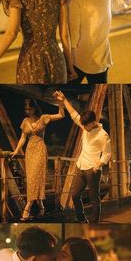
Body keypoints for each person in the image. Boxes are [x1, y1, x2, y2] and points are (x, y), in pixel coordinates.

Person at [53, 90, 111, 224]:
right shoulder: (86, 126)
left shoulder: (103, 135)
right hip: (80, 167)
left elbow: (107, 153)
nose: (84, 128)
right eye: (83, 125)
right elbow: (74, 115)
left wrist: (98, 166)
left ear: (93, 122)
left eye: (86, 126)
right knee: (75, 195)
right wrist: (64, 99)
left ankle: (94, 222)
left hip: (93, 169)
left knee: (94, 198)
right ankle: (82, 220)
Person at [11, 98, 65, 221]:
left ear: (35, 108)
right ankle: (41, 206)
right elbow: (23, 138)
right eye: (26, 109)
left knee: (37, 177)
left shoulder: (44, 118)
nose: (27, 111)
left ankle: (28, 207)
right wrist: (16, 150)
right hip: (30, 151)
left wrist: (61, 102)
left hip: (40, 149)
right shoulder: (25, 121)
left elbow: (62, 115)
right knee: (31, 179)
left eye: (29, 108)